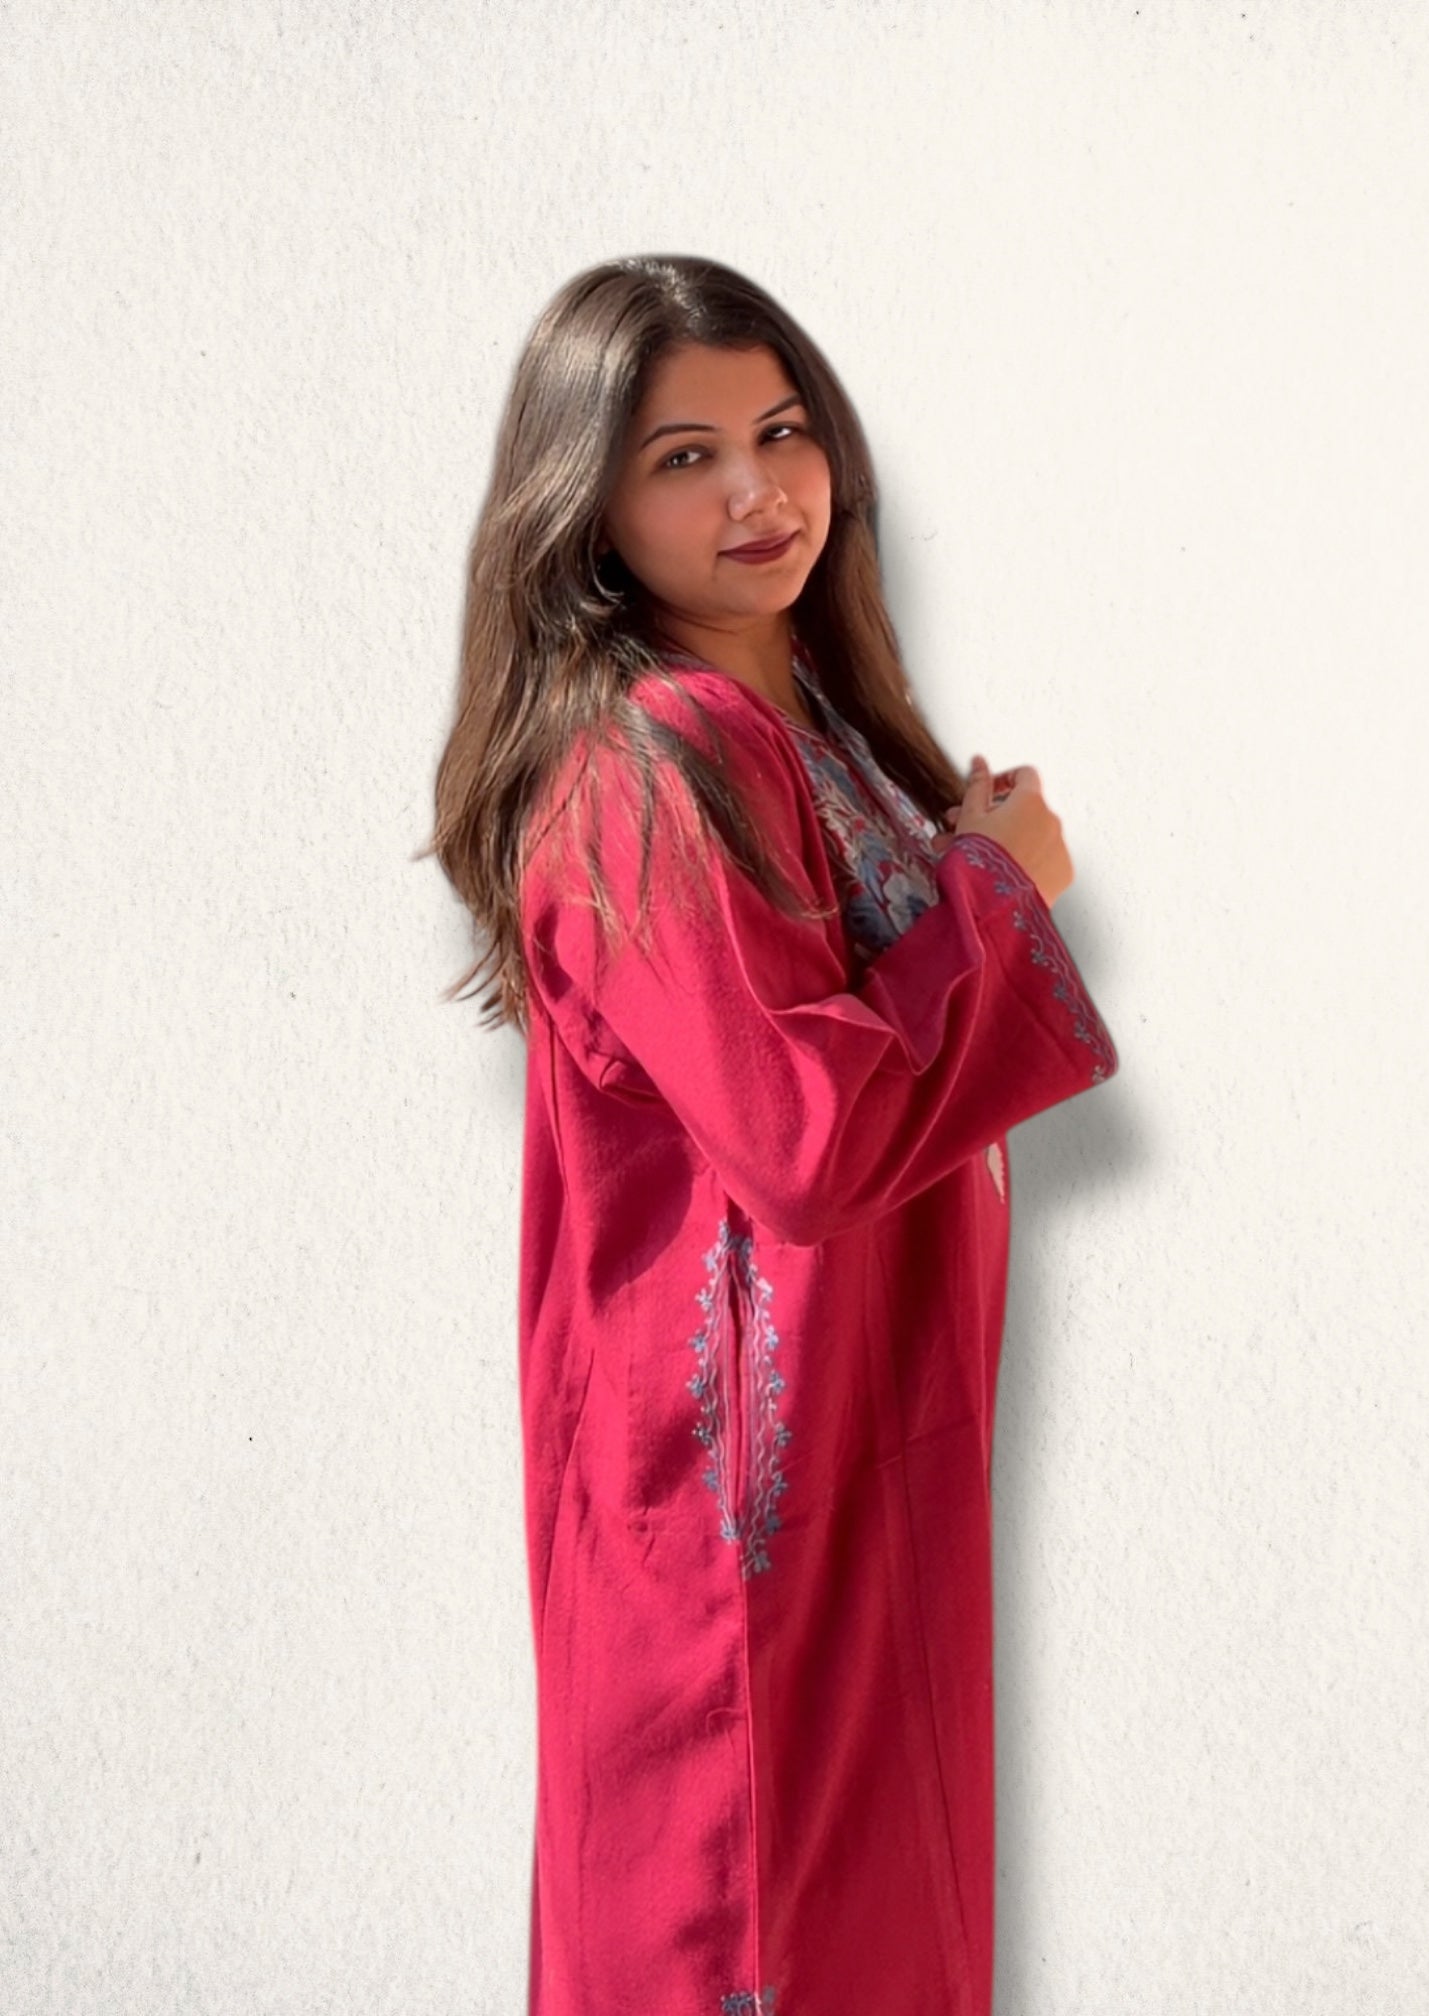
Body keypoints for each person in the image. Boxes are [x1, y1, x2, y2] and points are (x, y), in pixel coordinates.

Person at [427, 254, 1118, 2016]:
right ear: (583, 501)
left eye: (784, 432)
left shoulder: (805, 723)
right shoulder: (645, 764)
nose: (758, 491)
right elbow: (804, 1140)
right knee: (742, 1936)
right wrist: (995, 892)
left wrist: (958, 866)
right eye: (685, 457)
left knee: (877, 1927)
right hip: (731, 1513)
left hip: (862, 1481)